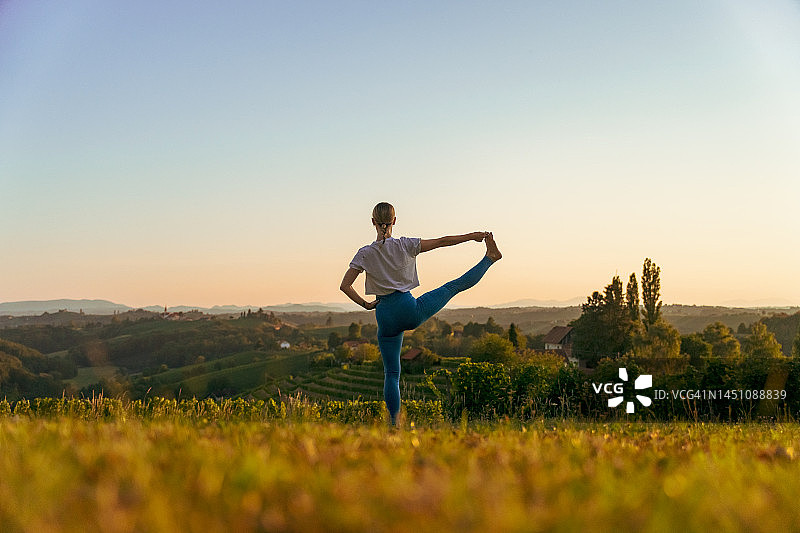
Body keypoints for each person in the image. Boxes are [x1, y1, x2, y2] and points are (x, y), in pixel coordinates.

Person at [339, 201, 501, 426]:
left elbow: (345, 286)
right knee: (451, 287)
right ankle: (489, 259)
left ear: (373, 222)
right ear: (394, 221)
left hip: (384, 316)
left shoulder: (364, 253)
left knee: (391, 374)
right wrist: (472, 236)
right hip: (409, 310)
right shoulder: (406, 245)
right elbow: (443, 242)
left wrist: (366, 305)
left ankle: (394, 425)